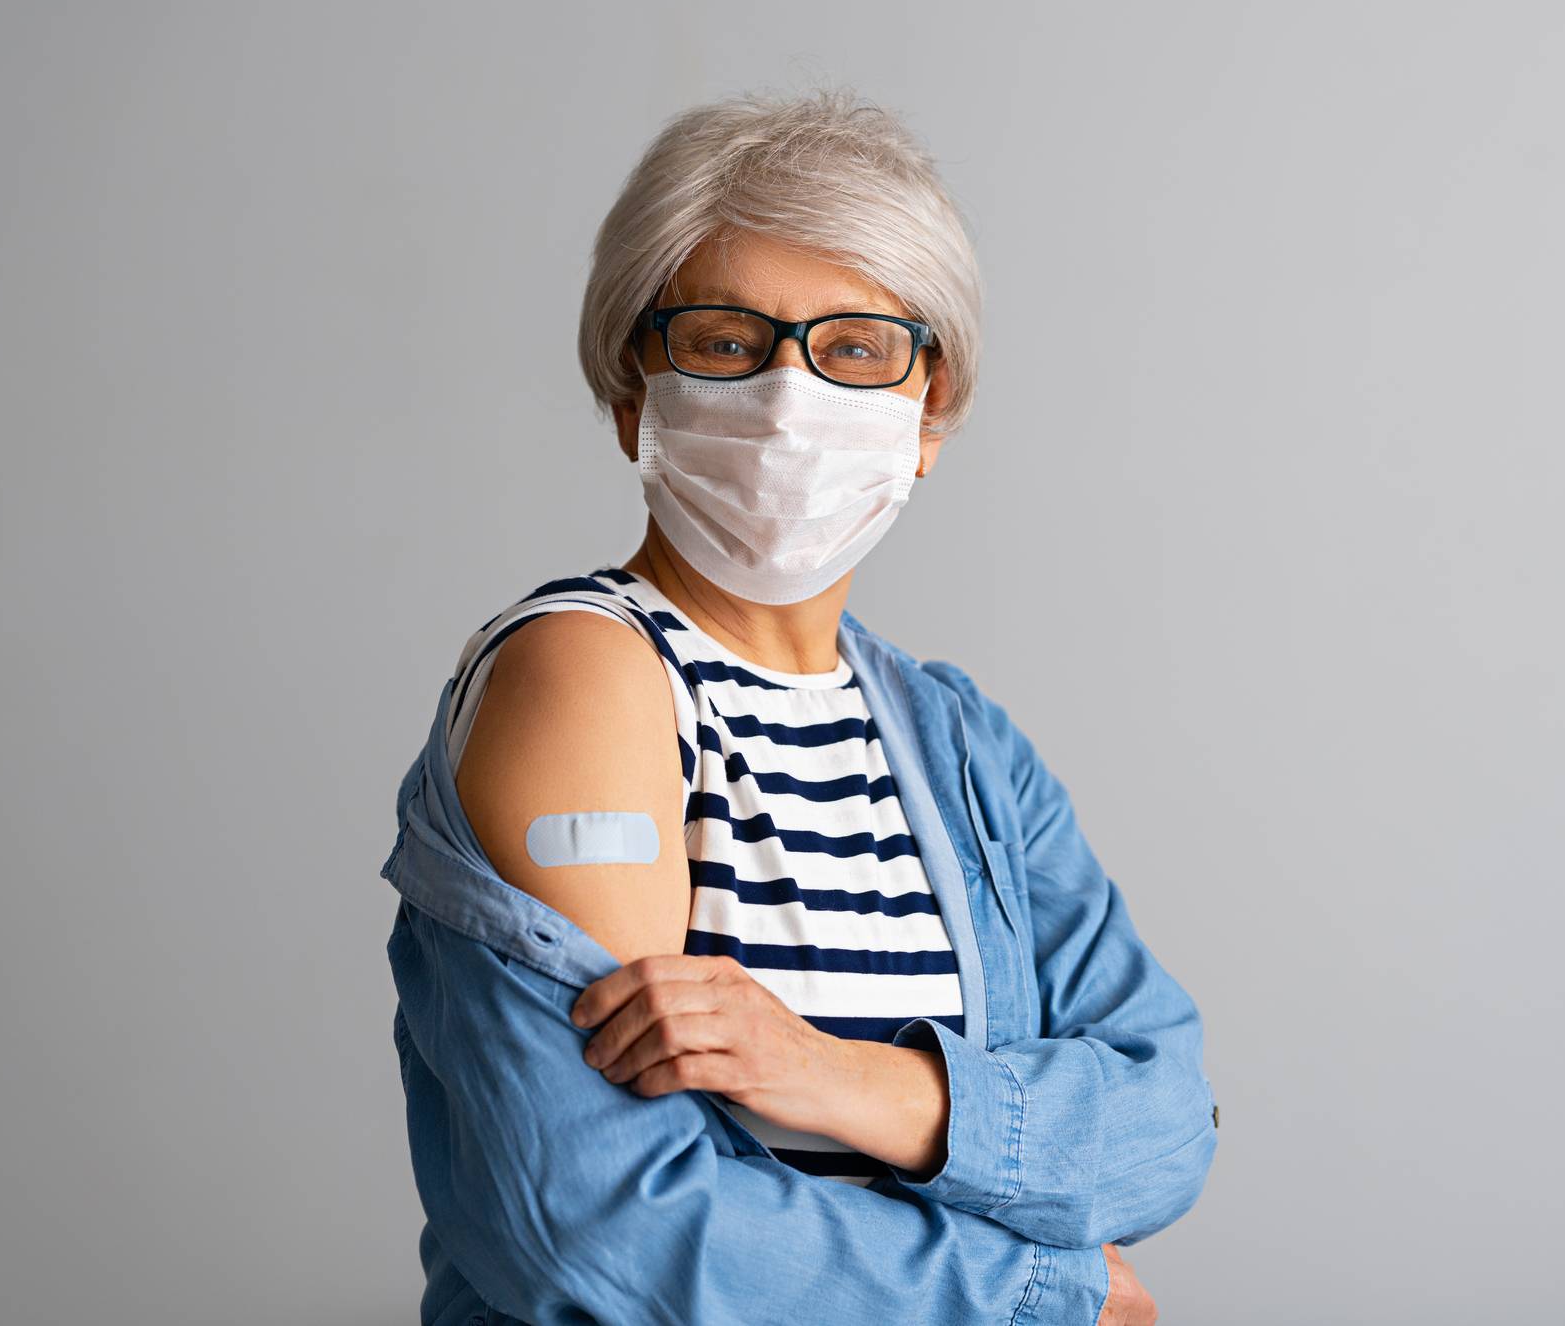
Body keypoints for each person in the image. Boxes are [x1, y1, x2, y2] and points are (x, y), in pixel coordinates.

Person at [381, 85, 1217, 1325]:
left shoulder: (960, 745)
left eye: (856, 348)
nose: (787, 400)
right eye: (726, 342)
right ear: (631, 391)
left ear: (930, 413)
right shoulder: (587, 675)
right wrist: (1043, 1292)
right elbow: (602, 1223)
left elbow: (1164, 1127)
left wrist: (831, 1076)